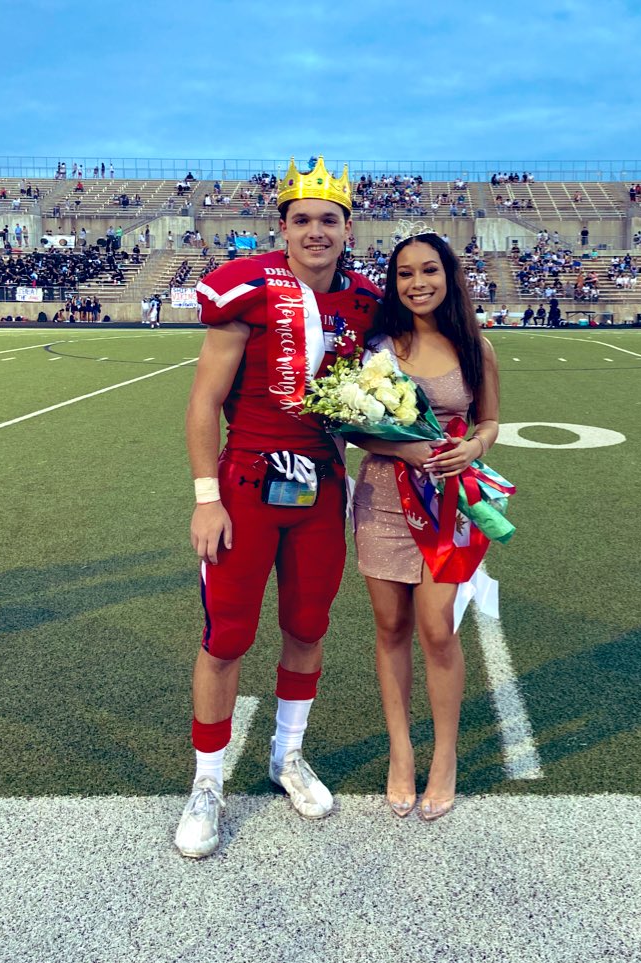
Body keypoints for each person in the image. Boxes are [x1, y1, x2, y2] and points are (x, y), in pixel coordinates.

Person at [174, 156, 379, 858]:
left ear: (348, 227)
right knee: (227, 634)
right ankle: (207, 782)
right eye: (302, 220)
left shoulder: (361, 299)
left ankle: (286, 756)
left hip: (321, 484)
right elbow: (203, 401)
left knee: (307, 623)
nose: (315, 231)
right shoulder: (248, 289)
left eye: (328, 219)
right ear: (282, 227)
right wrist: (206, 499)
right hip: (248, 484)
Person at [352, 232, 499, 820]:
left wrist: (474, 448)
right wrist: (404, 451)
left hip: (447, 505)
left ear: (448, 276)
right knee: (390, 628)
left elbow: (488, 421)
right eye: (406, 273)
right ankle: (401, 752)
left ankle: (444, 757)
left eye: (429, 271)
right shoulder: (377, 346)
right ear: (394, 281)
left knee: (437, 629)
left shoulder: (474, 346)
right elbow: (350, 426)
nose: (418, 283)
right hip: (384, 501)